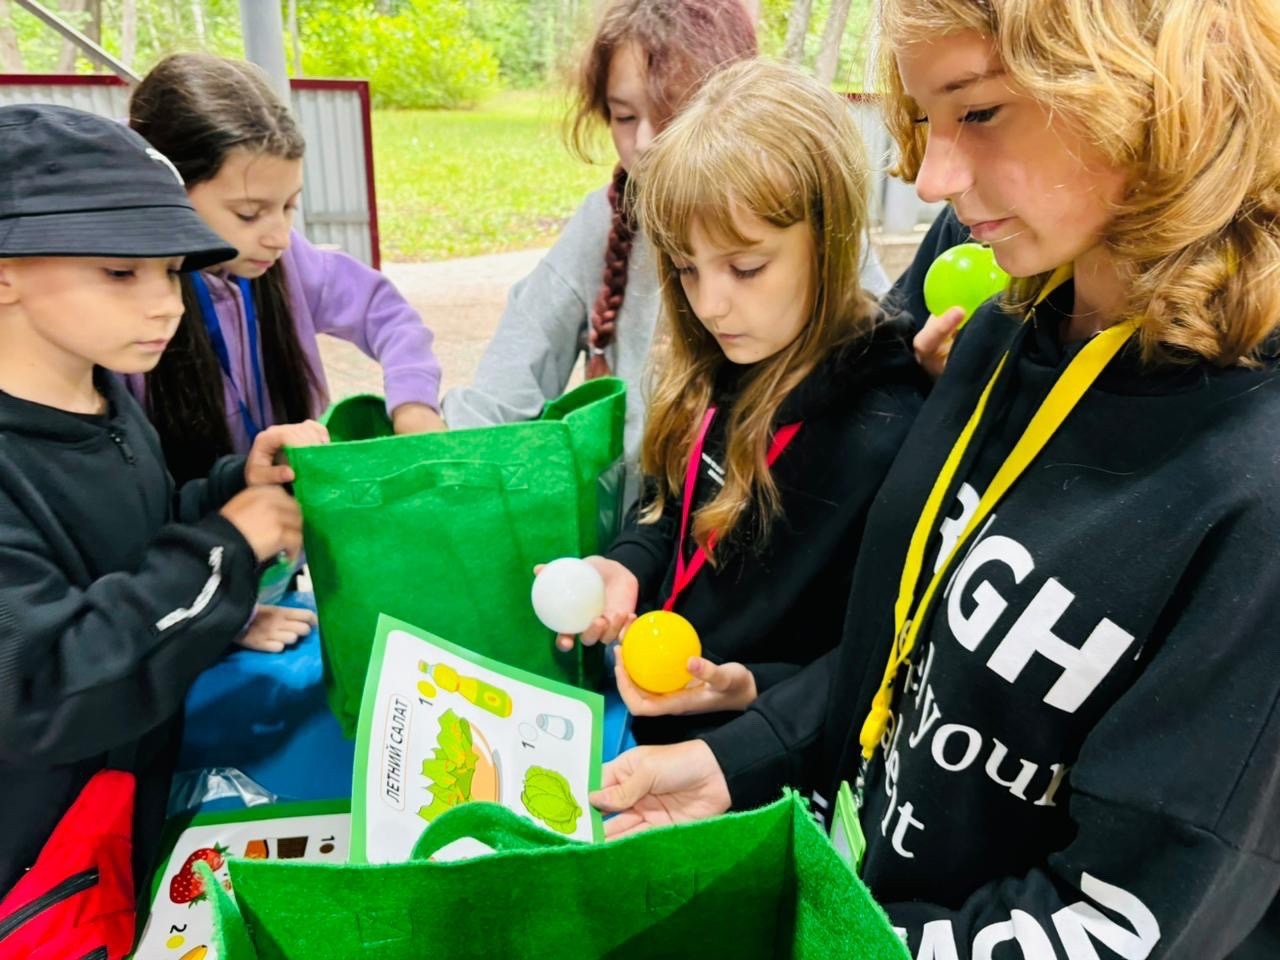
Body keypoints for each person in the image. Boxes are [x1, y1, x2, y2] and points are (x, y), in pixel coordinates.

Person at [593, 0, 1280, 955]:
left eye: (980, 110)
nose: (932, 179)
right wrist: (741, 761)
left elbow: (1127, 918)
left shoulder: (1255, 480)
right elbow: (907, 656)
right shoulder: (1002, 333)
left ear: (1156, 88)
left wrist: (834, 942)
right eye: (926, 119)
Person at [0, 104, 326, 912]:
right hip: (34, 876)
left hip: (119, 821)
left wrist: (230, 487)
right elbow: (45, 684)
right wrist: (223, 549)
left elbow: (131, 537)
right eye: (121, 272)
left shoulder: (103, 399)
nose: (167, 304)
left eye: (172, 269)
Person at [558, 59, 924, 750]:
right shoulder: (729, 359)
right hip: (655, 726)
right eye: (686, 268)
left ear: (832, 237)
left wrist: (751, 686)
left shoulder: (887, 435)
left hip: (755, 763)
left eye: (746, 267)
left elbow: (873, 661)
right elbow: (671, 507)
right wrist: (627, 565)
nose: (710, 305)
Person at [443, 0, 892, 488]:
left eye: (672, 112)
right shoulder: (603, 222)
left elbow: (876, 349)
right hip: (639, 523)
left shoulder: (794, 218)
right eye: (624, 116)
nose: (644, 142)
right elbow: (502, 391)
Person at [128, 52, 443, 652]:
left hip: (276, 559)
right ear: (167, 192)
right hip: (189, 590)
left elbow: (388, 314)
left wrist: (414, 405)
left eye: (289, 206)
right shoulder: (132, 322)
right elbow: (132, 529)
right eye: (249, 213)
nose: (277, 234)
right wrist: (227, 618)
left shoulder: (286, 261)